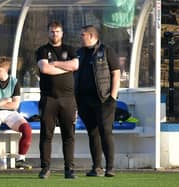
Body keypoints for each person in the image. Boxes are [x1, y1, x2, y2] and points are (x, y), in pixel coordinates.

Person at [75, 25, 120, 177]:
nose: (80, 37)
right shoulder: (79, 53)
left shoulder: (106, 50)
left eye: (83, 35)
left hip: (103, 99)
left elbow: (116, 73)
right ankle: (97, 167)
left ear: (92, 36)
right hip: (83, 100)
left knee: (105, 132)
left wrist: (112, 97)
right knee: (92, 133)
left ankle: (110, 168)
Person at [36, 21, 79, 179]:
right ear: (48, 33)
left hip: (68, 99)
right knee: (46, 135)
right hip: (49, 99)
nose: (55, 34)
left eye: (58, 31)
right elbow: (45, 68)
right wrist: (65, 67)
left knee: (69, 135)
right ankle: (45, 168)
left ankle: (69, 169)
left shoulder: (70, 49)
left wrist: (56, 64)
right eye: (52, 32)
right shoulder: (42, 50)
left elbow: (75, 65)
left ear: (62, 33)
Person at [0, 56, 32, 170]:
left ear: (6, 70)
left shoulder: (14, 82)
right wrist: (5, 100)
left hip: (11, 113)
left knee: (27, 129)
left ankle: (20, 159)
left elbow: (15, 105)